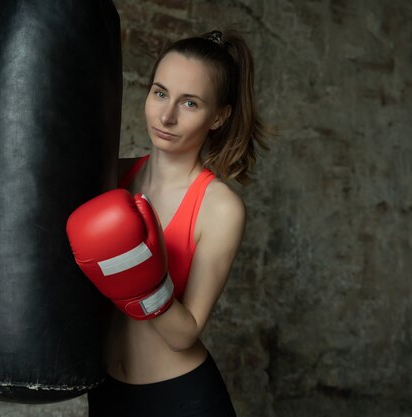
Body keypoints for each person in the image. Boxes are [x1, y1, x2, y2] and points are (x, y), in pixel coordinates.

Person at [66, 29, 269, 417]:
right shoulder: (111, 178)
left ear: (219, 116)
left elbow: (185, 332)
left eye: (190, 103)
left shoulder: (220, 207)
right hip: (106, 394)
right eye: (160, 93)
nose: (167, 115)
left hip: (181, 400)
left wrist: (143, 283)